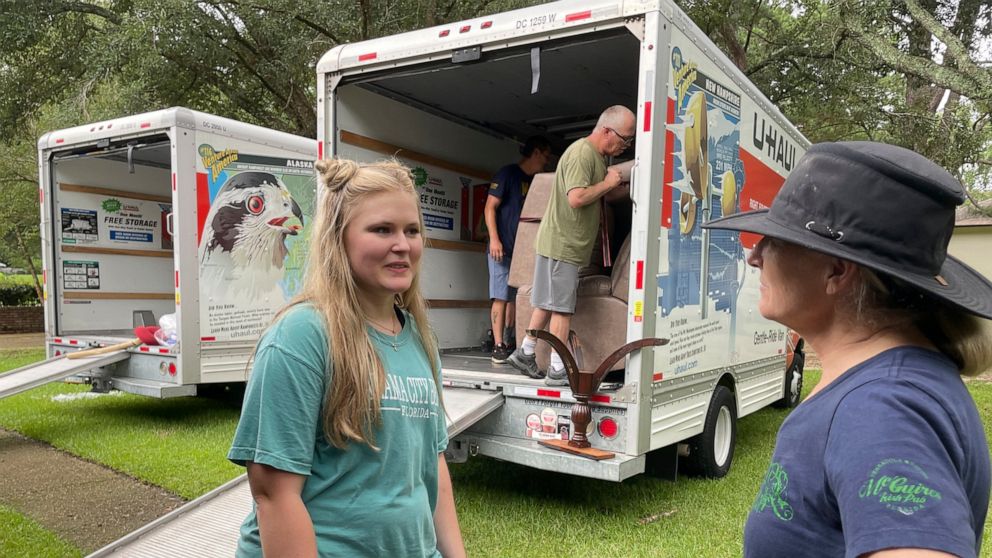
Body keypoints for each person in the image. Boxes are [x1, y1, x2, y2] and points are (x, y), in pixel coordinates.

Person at [703, 141, 992, 557]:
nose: (754, 255)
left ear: (836, 271)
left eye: (775, 241)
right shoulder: (891, 381)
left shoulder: (882, 408)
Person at [228, 159, 465, 557]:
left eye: (412, 231)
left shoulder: (421, 338)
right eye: (381, 229)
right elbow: (274, 495)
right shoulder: (302, 336)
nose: (402, 245)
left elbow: (433, 467)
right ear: (339, 239)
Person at [507, 105, 635, 385]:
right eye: (624, 139)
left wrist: (614, 184)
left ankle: (525, 352)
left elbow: (594, 194)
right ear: (606, 131)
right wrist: (609, 182)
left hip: (560, 243)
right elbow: (576, 197)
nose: (625, 146)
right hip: (562, 244)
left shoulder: (597, 157)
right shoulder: (582, 154)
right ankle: (558, 369)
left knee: (545, 301)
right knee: (562, 308)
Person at [486, 136, 551, 364]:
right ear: (535, 153)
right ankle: (498, 345)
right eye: (545, 155)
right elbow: (489, 207)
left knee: (517, 297)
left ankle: (511, 340)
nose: (546, 161)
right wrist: (494, 240)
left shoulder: (535, 180)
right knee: (500, 296)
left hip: (522, 250)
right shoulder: (508, 174)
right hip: (501, 248)